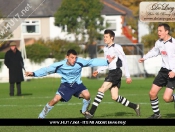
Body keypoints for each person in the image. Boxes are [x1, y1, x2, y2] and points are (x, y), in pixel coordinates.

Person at [25, 49, 114, 118]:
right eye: (72, 57)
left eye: (75, 57)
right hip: (66, 85)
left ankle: (84, 112)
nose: (74, 60)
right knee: (55, 100)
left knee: (87, 95)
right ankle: (41, 116)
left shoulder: (79, 62)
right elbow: (46, 70)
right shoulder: (60, 65)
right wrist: (33, 73)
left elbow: (91, 62)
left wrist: (106, 61)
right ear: (67, 57)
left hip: (77, 84)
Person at [85, 29, 140, 119]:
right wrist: (98, 70)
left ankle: (91, 113)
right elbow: (107, 63)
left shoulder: (117, 47)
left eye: (106, 37)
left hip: (116, 72)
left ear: (112, 37)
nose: (104, 38)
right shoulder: (106, 48)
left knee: (101, 89)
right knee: (115, 97)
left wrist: (128, 76)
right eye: (104, 37)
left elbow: (124, 61)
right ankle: (135, 106)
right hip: (111, 72)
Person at [139, 23, 175, 119]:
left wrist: (174, 71)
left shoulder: (173, 43)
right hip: (163, 71)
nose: (158, 33)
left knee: (167, 98)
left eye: (160, 31)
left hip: (173, 72)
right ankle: (157, 115)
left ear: (166, 31)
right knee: (152, 93)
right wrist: (144, 58)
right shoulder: (159, 42)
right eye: (157, 31)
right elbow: (154, 52)